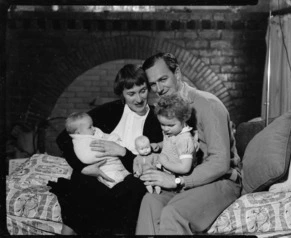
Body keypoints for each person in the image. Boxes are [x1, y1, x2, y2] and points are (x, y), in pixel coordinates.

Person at [47, 64, 163, 235]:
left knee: (134, 188)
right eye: (131, 94)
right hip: (96, 172)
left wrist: (122, 151)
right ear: (122, 95)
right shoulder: (111, 110)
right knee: (82, 181)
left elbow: (145, 163)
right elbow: (65, 137)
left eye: (143, 91)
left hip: (128, 177)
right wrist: (84, 168)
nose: (138, 99)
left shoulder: (155, 120)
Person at [135, 52, 242, 235]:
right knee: (150, 202)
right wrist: (152, 157)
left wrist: (177, 181)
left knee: (173, 213)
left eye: (163, 79)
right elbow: (178, 148)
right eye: (153, 84)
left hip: (222, 181)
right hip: (191, 181)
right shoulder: (169, 109)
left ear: (177, 73)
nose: (159, 88)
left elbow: (220, 162)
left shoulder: (208, 104)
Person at [65, 112, 130, 188]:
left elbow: (106, 137)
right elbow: (86, 157)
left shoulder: (93, 132)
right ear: (78, 133)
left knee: (129, 175)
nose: (94, 128)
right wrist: (105, 151)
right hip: (106, 168)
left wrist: (113, 139)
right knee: (114, 181)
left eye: (93, 125)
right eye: (90, 127)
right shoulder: (80, 142)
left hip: (118, 163)